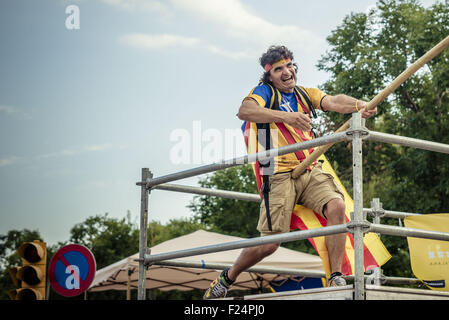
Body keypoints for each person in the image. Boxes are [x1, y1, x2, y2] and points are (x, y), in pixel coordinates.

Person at [203, 45, 377, 299]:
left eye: (289, 66)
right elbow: (245, 111)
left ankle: (335, 277)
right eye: (278, 69)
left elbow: (334, 101)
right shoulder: (264, 93)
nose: (286, 72)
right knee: (270, 244)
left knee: (337, 206)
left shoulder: (305, 94)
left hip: (308, 167)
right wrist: (287, 118)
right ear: (269, 75)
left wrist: (360, 105)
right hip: (276, 173)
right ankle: (228, 277)